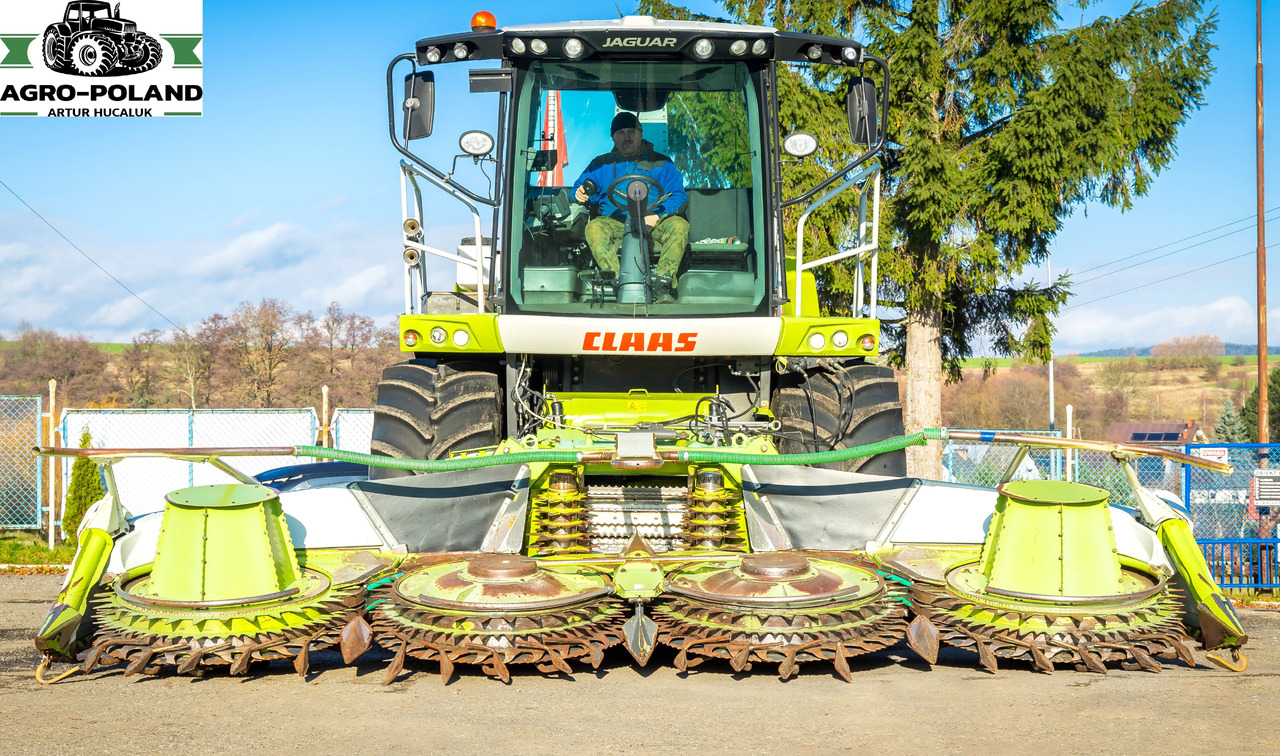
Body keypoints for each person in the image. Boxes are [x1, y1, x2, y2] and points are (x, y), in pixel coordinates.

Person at [572, 112, 689, 303]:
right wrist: (579, 193)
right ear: (613, 137)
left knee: (679, 225)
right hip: (616, 222)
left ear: (641, 133)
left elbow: (679, 196)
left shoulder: (662, 163)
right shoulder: (600, 165)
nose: (627, 137)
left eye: (631, 131)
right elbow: (581, 188)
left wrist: (657, 217)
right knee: (593, 228)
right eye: (621, 132)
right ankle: (619, 283)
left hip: (653, 221)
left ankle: (663, 285)